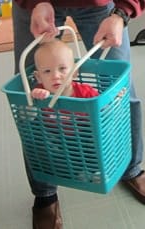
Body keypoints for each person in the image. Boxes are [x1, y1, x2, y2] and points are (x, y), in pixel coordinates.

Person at [12, 1, 145, 228]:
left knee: (122, 94)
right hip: (36, 6)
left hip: (100, 3)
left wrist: (122, 11)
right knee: (29, 103)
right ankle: (45, 193)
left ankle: (131, 168)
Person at [31, 39, 99, 99]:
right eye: (47, 71)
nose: (56, 76)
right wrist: (36, 95)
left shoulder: (86, 93)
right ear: (39, 77)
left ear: (74, 72)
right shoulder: (40, 91)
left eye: (62, 68)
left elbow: (102, 107)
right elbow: (30, 107)